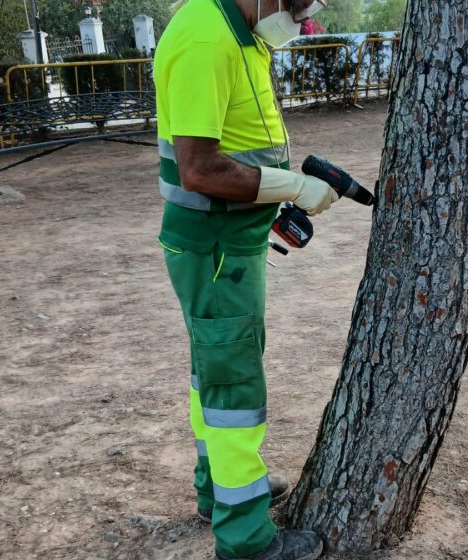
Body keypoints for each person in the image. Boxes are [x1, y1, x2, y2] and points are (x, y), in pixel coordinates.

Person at [153, 1, 334, 559]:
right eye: (299, 2)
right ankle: (246, 539)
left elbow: (239, 142)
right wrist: (290, 188)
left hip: (228, 239)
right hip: (215, 244)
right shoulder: (208, 40)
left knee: (212, 368)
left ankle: (218, 493)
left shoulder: (242, 33)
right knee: (233, 383)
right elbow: (200, 169)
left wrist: (278, 190)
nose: (303, 14)